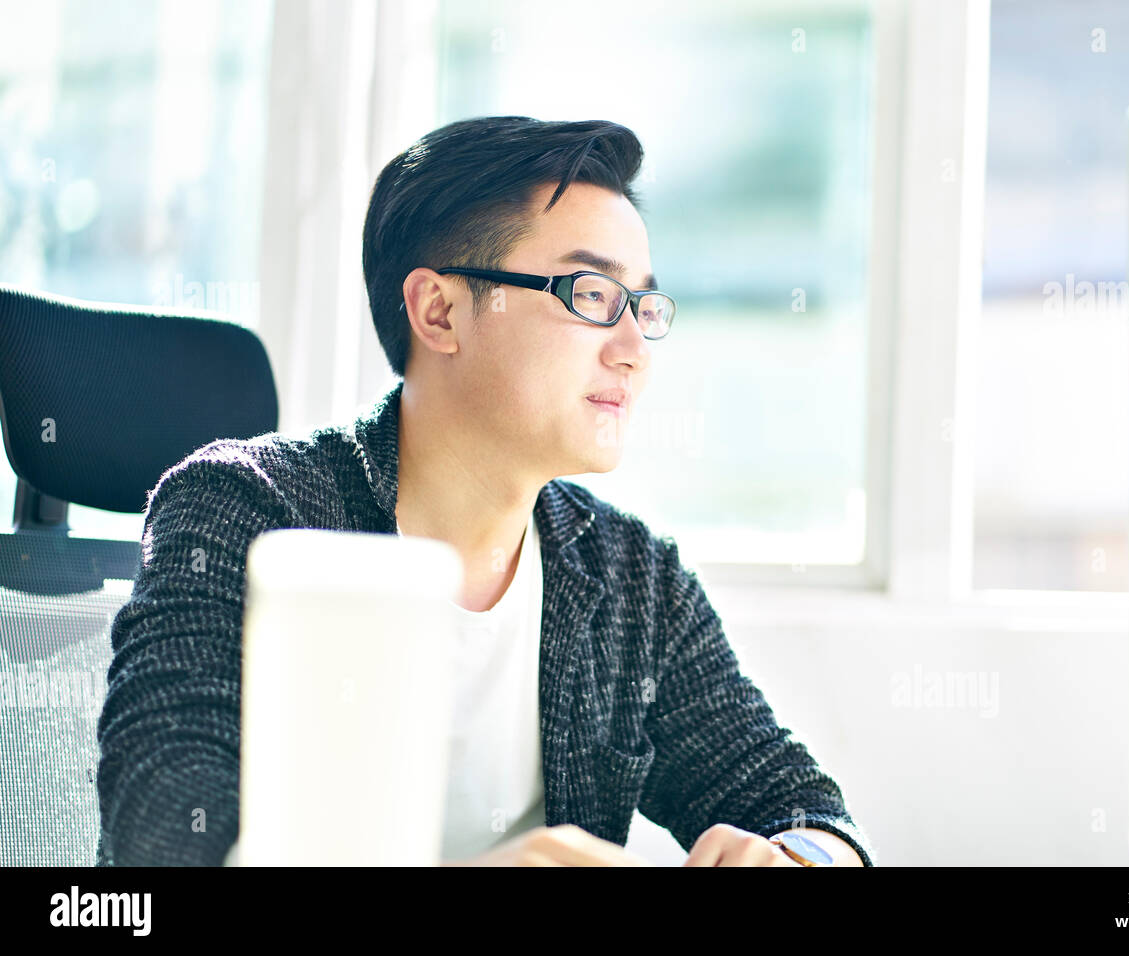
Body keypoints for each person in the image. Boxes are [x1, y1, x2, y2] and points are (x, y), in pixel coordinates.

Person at [96, 116, 876, 867]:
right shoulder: (248, 511)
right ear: (439, 311)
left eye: (643, 306)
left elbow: (806, 811)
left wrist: (793, 857)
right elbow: (163, 830)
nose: (636, 349)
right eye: (593, 295)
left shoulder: (632, 576)